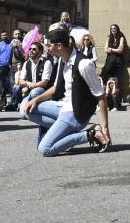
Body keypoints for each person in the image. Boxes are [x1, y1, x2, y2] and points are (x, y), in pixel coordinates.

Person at [21, 28, 111, 156]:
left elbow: (100, 95)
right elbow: (56, 88)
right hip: (63, 106)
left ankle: (90, 134)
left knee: (44, 149)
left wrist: (105, 126)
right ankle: (65, 133)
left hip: (75, 114)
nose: (47, 49)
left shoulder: (84, 64)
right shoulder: (62, 60)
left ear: (59, 46)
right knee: (25, 110)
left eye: (49, 45)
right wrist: (35, 100)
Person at [10, 41, 51, 109]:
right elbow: (20, 81)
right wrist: (28, 85)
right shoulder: (27, 63)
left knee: (34, 92)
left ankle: (37, 106)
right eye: (30, 49)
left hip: (42, 89)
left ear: (40, 52)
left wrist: (31, 86)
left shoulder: (46, 62)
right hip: (29, 88)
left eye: (34, 49)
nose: (31, 51)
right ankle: (20, 103)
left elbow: (44, 83)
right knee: (17, 88)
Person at [0, 31, 14, 111]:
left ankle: (5, 102)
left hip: (8, 67)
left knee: (8, 85)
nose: (4, 36)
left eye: (5, 35)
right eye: (3, 35)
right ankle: (0, 104)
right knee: (1, 86)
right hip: (0, 67)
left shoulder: (10, 44)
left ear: (7, 35)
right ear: (1, 36)